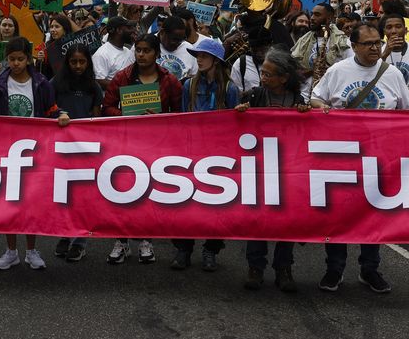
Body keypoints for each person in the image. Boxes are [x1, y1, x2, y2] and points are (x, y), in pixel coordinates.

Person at [310, 23, 409, 294]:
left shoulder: (391, 73)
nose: (374, 48)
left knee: (373, 214)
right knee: (340, 215)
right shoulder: (338, 71)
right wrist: (323, 108)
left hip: (380, 157)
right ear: (354, 46)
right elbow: (315, 97)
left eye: (376, 43)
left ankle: (370, 269)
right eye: (367, 43)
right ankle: (334, 270)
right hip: (342, 157)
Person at [102, 33, 183, 265]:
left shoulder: (170, 81)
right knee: (122, 192)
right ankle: (122, 241)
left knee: (149, 193)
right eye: (138, 50)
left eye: (146, 50)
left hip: (156, 146)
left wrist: (160, 118)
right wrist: (128, 115)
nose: (141, 54)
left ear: (156, 53)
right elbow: (106, 107)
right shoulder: (122, 77)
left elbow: (179, 116)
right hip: (125, 143)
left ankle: (146, 240)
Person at [235, 47, 310, 291]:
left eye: (268, 74)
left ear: (284, 78)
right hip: (257, 166)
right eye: (263, 73)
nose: (263, 78)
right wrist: (239, 114)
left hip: (289, 168)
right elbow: (234, 127)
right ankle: (255, 267)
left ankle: (283, 268)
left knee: (286, 221)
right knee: (257, 219)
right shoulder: (254, 95)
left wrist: (307, 115)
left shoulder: (298, 101)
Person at [0, 37, 58, 271]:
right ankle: (10, 251)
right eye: (11, 59)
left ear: (28, 59)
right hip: (6, 151)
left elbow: (51, 111)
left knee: (31, 203)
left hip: (34, 151)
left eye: (20, 59)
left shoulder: (41, 83)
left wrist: (61, 116)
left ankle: (31, 250)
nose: (15, 63)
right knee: (9, 202)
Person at [172, 37, 238, 272]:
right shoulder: (189, 86)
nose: (198, 59)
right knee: (186, 203)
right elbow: (182, 117)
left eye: (204, 56)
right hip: (191, 153)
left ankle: (211, 249)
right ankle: (184, 249)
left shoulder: (230, 89)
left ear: (216, 61)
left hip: (219, 156)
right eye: (197, 55)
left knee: (217, 206)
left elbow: (234, 125)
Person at [51, 43, 103, 263]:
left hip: (86, 149)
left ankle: (80, 241)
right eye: (74, 62)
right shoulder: (56, 84)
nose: (78, 66)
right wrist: (59, 115)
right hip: (61, 147)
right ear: (67, 63)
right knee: (63, 194)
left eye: (82, 62)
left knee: (82, 195)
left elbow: (97, 117)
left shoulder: (94, 87)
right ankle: (65, 234)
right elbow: (49, 108)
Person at [291, 3, 350, 100]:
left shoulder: (343, 43)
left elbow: (351, 70)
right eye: (312, 14)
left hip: (332, 99)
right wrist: (312, 70)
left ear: (329, 18)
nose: (312, 18)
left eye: (317, 15)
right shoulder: (303, 42)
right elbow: (293, 73)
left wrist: (329, 69)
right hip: (305, 99)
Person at [93, 16, 136, 91]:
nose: (133, 31)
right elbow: (99, 81)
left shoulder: (128, 51)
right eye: (128, 28)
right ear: (119, 30)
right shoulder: (101, 54)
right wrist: (126, 89)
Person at [157, 15, 197, 81]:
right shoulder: (147, 44)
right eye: (174, 39)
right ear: (162, 32)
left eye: (180, 40)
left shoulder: (189, 49)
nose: (177, 44)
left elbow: (194, 77)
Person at [42, 14, 74, 78]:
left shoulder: (73, 45)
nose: (52, 30)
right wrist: (41, 60)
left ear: (65, 29)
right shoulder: (47, 46)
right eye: (51, 27)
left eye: (57, 27)